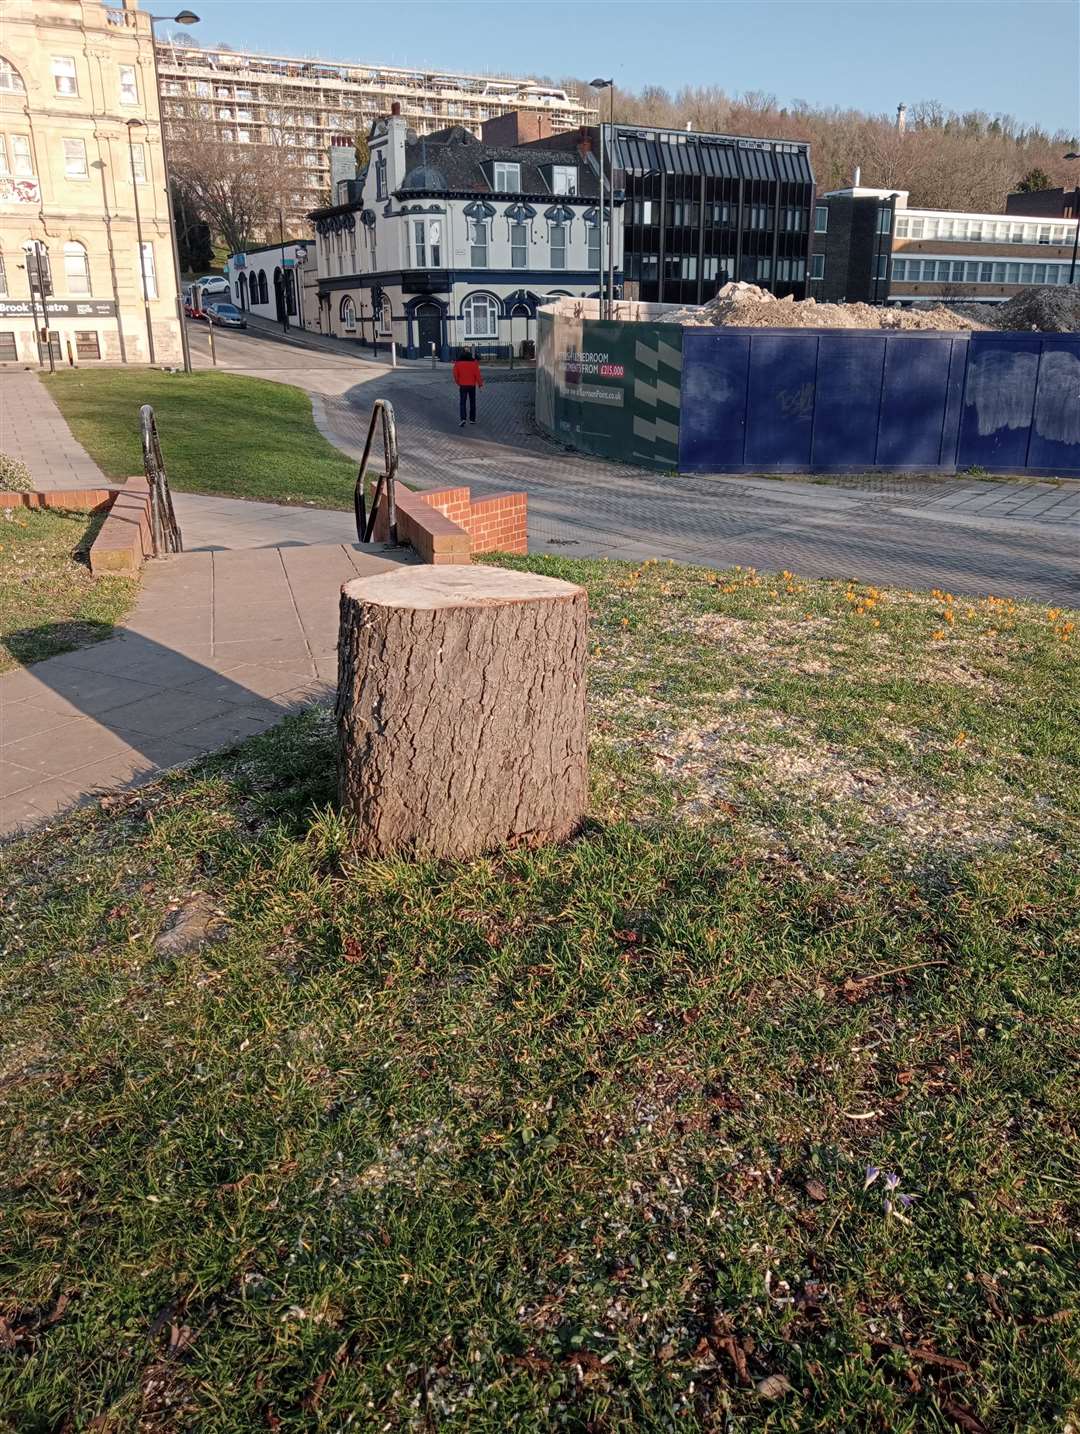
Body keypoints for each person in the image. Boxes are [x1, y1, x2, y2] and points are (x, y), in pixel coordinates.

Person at [452, 347, 483, 426]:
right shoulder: (474, 363)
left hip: (463, 385)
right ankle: (472, 419)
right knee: (472, 402)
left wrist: (458, 382)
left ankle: (463, 418)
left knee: (462, 402)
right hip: (472, 385)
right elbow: (478, 375)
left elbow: (455, 374)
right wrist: (480, 385)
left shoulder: (458, 363)